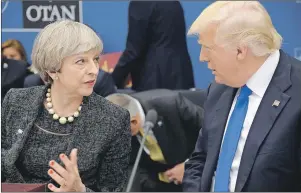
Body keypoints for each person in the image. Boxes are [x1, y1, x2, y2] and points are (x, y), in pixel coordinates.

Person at [182, 1, 301, 192]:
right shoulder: (218, 90)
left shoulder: (296, 93)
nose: (202, 57)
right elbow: (200, 160)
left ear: (240, 50)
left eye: (207, 47)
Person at [1, 20, 132, 192]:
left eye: (95, 59)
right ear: (53, 69)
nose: (94, 70)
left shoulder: (114, 119)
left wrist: (81, 191)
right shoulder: (16, 102)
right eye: (81, 61)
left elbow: (114, 189)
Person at [106, 89, 203, 191]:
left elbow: (212, 134)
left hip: (196, 168)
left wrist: (189, 165)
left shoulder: (171, 104)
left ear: (134, 121)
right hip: (160, 180)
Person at [112, 1, 195, 91]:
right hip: (182, 75)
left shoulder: (141, 3)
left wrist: (113, 82)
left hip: (155, 80)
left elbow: (134, 50)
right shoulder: (174, 2)